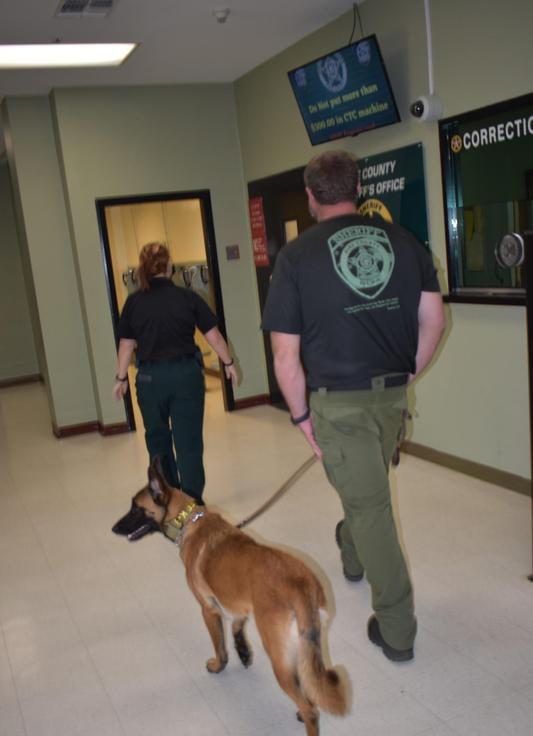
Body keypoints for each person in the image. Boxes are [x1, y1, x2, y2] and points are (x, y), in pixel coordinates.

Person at [262, 151, 445, 663]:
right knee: (365, 493)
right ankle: (351, 547)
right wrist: (408, 373)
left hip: (338, 407)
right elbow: (435, 322)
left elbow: (284, 354)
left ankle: (397, 629)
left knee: (371, 509)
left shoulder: (296, 257)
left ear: (311, 196)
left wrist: (300, 417)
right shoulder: (405, 243)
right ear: (358, 187)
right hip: (391, 401)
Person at [113, 242, 238, 504]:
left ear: (143, 270)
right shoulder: (187, 297)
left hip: (149, 379)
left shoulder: (134, 303)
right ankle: (191, 501)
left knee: (157, 441)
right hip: (185, 377)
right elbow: (213, 336)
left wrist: (121, 378)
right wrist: (228, 362)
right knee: (188, 442)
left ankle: (166, 499)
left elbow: (126, 345)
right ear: (169, 267)